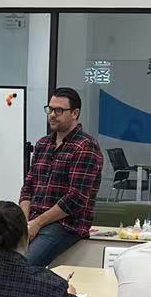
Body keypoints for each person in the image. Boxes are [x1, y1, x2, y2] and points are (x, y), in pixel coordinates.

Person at [18, 86, 104, 268]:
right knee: (2, 263)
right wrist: (24, 223)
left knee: (22, 266)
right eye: (50, 109)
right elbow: (28, 187)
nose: (52, 115)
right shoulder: (43, 144)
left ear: (75, 113)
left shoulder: (85, 146)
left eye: (58, 110)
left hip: (64, 225)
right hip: (33, 221)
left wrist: (37, 223)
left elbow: (75, 199)